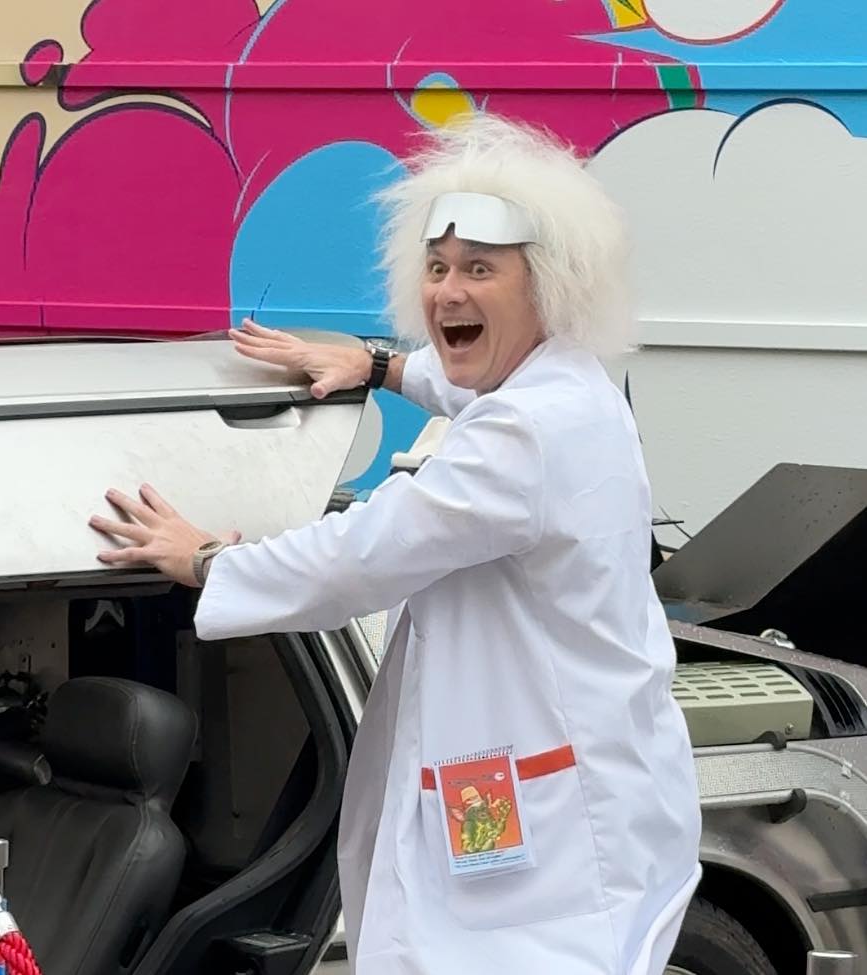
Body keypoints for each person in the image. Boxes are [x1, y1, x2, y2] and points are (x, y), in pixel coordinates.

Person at [88, 113, 702, 974]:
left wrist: (203, 560)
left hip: (550, 826)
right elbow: (471, 391)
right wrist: (378, 365)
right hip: (578, 781)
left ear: (548, 287)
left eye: (479, 269)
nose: (447, 291)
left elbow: (362, 556)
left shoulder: (526, 434)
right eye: (437, 267)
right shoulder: (568, 389)